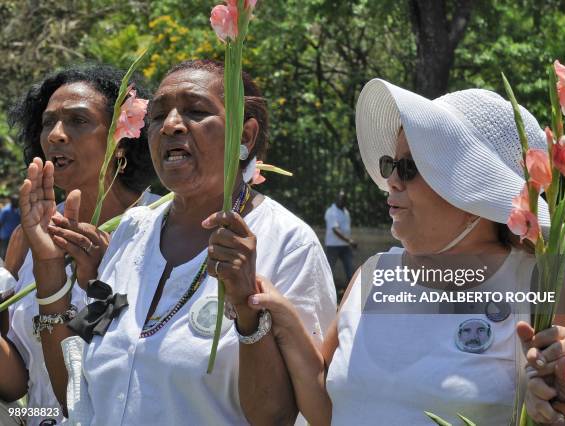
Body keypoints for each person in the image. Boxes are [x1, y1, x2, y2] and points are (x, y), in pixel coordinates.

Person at [236, 80, 565, 424]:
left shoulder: (540, 286)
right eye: (391, 164)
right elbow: (328, 408)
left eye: (410, 167)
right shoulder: (372, 274)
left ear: (474, 192)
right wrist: (282, 319)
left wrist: (564, 401)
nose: (391, 180)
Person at [25, 59, 337, 425]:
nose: (170, 125)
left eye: (196, 110)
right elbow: (76, 391)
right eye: (157, 116)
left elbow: (281, 416)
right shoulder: (131, 232)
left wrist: (247, 311)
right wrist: (49, 267)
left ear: (245, 136)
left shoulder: (286, 243)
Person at [0, 64, 158, 426]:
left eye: (78, 121)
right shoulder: (32, 232)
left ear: (123, 138)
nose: (55, 135)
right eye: (47, 122)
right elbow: (18, 382)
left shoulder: (162, 228)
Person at [324, 190, 356, 295]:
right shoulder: (331, 211)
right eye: (339, 198)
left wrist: (348, 242)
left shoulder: (346, 212)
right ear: (336, 199)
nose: (341, 200)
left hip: (345, 247)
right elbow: (335, 230)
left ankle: (350, 295)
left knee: (350, 271)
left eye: (343, 199)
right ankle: (325, 293)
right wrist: (350, 240)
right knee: (327, 271)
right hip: (333, 246)